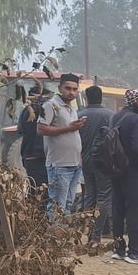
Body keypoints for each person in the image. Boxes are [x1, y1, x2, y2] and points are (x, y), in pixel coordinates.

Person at [108, 89, 138, 265]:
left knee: (118, 210)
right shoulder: (137, 119)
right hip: (133, 172)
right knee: (134, 212)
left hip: (115, 170)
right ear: (133, 102)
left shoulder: (114, 118)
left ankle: (118, 249)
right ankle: (134, 252)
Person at [37, 73, 85, 217]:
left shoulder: (71, 109)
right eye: (68, 88)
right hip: (59, 165)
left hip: (75, 164)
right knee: (57, 205)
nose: (71, 92)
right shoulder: (50, 105)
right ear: (60, 88)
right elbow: (41, 129)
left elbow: (73, 134)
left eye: (74, 89)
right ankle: (53, 236)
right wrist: (68, 128)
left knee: (68, 204)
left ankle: (63, 236)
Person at [77, 85, 116, 244]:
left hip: (86, 162)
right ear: (101, 97)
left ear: (86, 98)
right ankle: (96, 237)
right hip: (104, 163)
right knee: (104, 198)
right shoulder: (110, 116)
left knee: (89, 197)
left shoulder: (79, 115)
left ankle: (87, 233)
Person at [18, 83, 50, 189]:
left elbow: (20, 130)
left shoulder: (25, 111)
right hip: (38, 156)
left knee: (35, 187)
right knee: (40, 189)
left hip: (29, 154)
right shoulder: (38, 111)